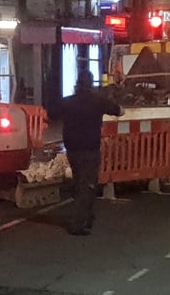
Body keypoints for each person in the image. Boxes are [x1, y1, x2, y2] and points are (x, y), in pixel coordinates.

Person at [57, 69, 124, 236]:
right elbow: (119, 111)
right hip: (89, 149)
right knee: (87, 185)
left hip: (72, 149)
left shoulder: (68, 102)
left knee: (80, 182)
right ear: (91, 84)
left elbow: (50, 114)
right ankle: (78, 224)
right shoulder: (98, 101)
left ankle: (87, 217)